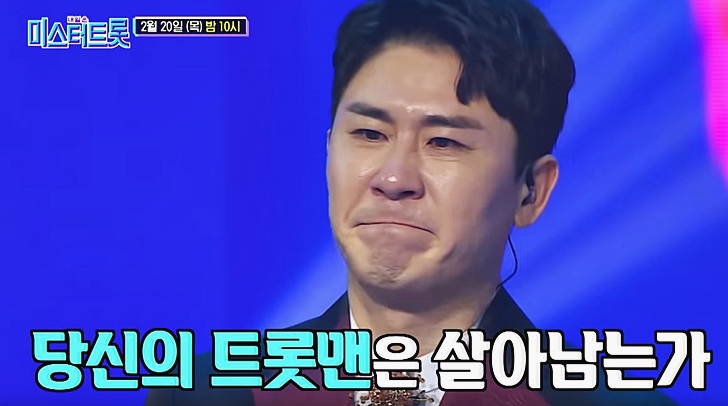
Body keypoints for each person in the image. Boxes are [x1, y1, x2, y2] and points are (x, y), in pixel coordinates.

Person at [146, 0, 678, 404]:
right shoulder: (205, 394)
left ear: (531, 190)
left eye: (443, 142)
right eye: (369, 134)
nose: (394, 178)